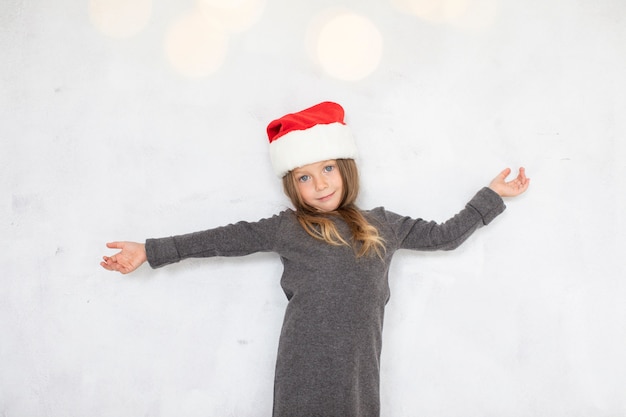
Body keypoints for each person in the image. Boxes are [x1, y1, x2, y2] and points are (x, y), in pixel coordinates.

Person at [101, 101, 529, 417]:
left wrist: (490, 197)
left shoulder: (383, 224)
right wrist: (150, 250)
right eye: (305, 177)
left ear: (346, 168)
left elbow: (444, 236)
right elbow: (223, 238)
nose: (320, 184)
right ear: (293, 186)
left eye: (328, 169)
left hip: (358, 368)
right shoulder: (289, 227)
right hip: (303, 367)